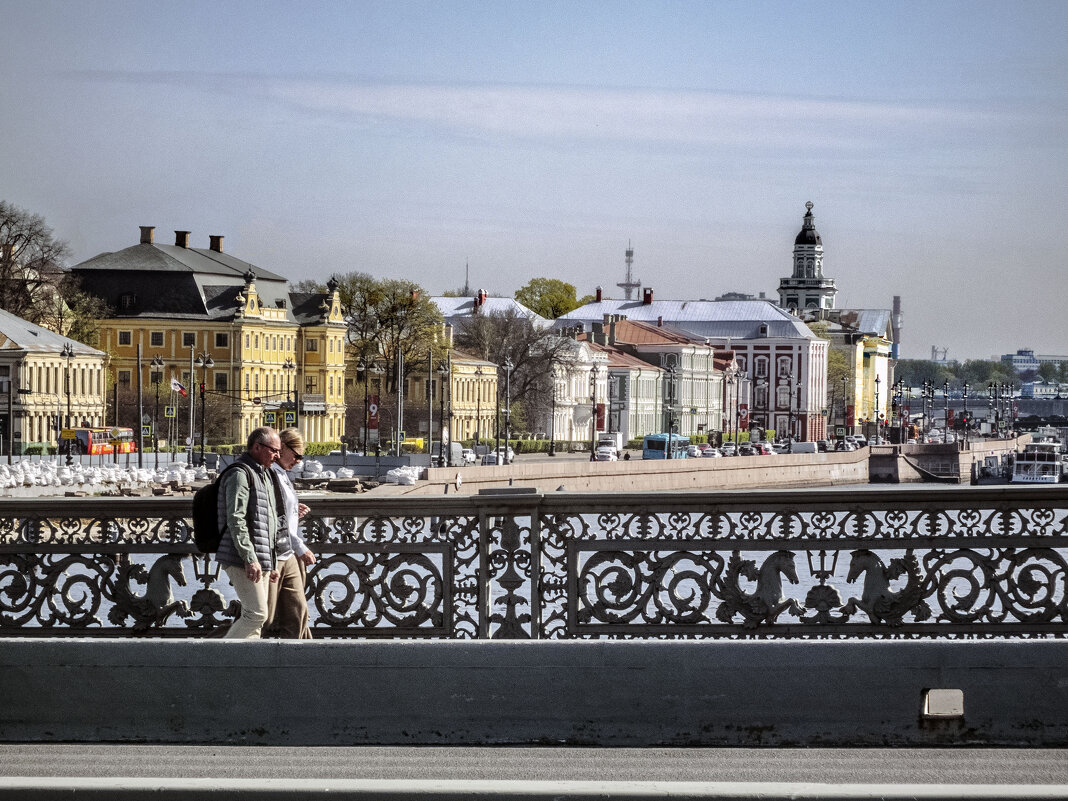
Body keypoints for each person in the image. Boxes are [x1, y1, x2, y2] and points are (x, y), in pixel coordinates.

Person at [216, 426, 282, 639]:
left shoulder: (264, 474)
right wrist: (249, 557)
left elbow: (268, 522)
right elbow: (236, 519)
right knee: (256, 614)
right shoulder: (239, 474)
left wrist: (271, 562)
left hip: (259, 557)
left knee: (256, 620)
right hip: (240, 557)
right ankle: (213, 660)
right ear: (257, 447)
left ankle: (243, 668)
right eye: (274, 450)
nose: (277, 455)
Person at [265, 427, 316, 639]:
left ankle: (295, 662)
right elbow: (275, 519)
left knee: (298, 612)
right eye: (297, 455)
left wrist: (295, 509)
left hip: (287, 553)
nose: (299, 461)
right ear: (283, 447)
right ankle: (216, 646)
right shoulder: (270, 474)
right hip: (275, 552)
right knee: (263, 617)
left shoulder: (282, 474)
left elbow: (282, 511)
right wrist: (301, 548)